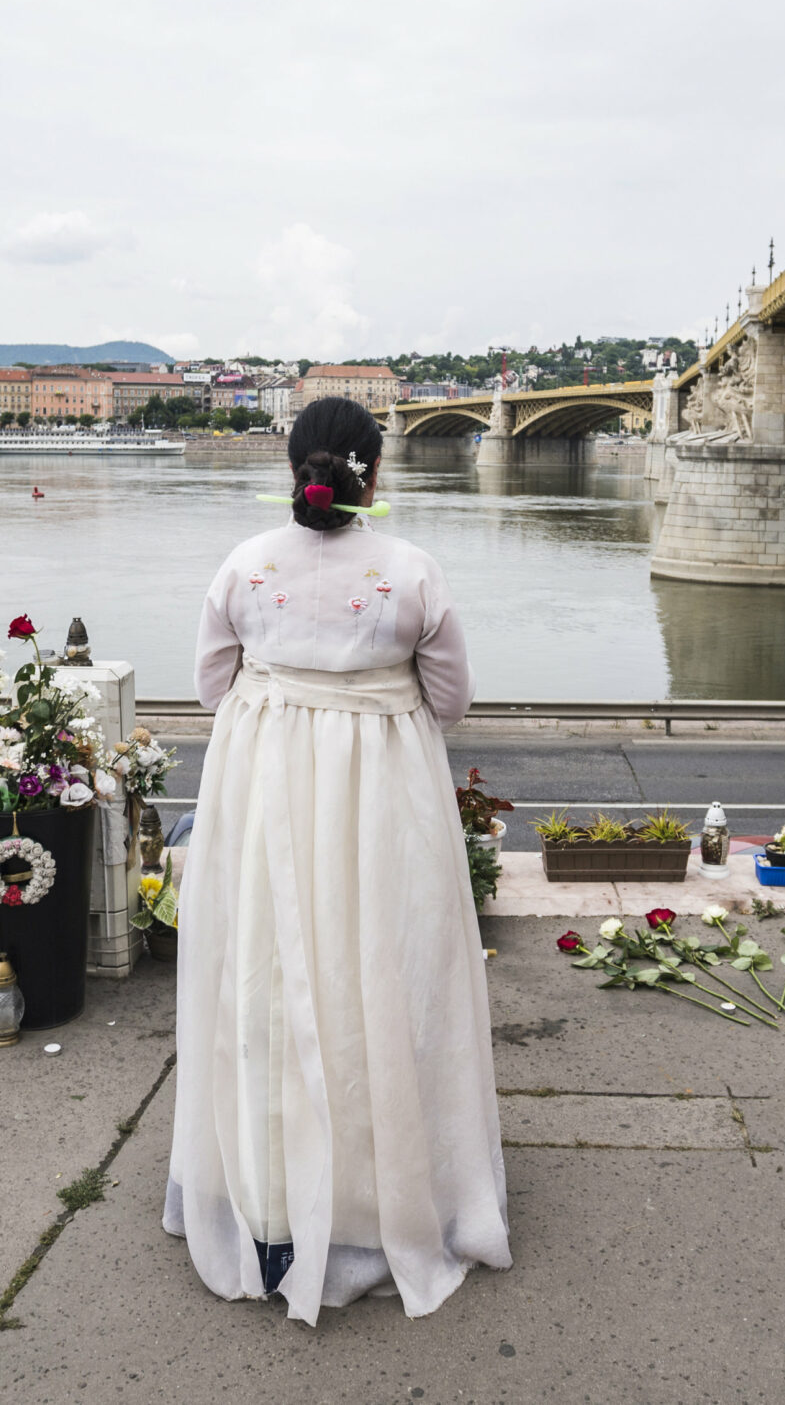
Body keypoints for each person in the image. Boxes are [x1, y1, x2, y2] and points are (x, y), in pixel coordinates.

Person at [164, 395, 508, 1323]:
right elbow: (450, 699)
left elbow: (209, 688)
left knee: (265, 981)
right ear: (374, 471)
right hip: (380, 794)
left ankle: (266, 1197)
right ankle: (375, 1194)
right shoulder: (412, 572)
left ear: (293, 467)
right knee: (382, 976)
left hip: (265, 788)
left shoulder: (245, 564)